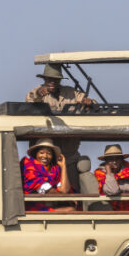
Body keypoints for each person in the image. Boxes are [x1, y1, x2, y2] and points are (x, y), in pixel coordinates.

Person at [25, 62, 94, 191]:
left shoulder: (70, 92)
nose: (52, 82)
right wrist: (40, 93)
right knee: (46, 190)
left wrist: (87, 102)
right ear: (44, 79)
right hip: (46, 158)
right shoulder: (36, 92)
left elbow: (90, 101)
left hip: (70, 156)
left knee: (73, 190)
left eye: (55, 79)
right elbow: (31, 100)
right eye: (49, 79)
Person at [21, 140, 72, 212]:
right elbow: (47, 190)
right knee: (71, 210)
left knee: (71, 209)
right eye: (41, 153)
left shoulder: (55, 169)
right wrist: (67, 199)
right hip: (32, 207)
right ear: (36, 154)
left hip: (49, 205)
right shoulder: (29, 166)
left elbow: (64, 190)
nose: (45, 156)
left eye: (49, 153)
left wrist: (63, 166)